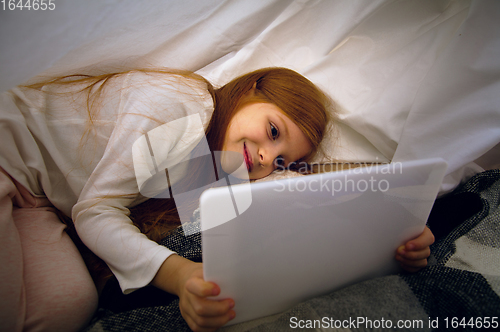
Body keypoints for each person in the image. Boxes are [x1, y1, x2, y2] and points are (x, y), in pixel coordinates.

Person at [0, 67, 434, 332]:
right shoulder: (178, 107)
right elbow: (94, 211)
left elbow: (299, 196)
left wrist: (390, 230)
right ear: (249, 91)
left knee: (69, 306)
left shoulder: (214, 166)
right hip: (7, 156)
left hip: (35, 199)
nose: (266, 156)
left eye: (279, 160)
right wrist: (180, 275)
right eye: (274, 130)